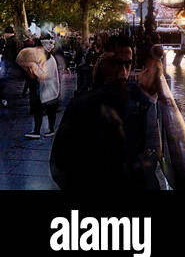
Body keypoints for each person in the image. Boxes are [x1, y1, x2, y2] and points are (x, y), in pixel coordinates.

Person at [51, 38, 163, 190]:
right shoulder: (81, 106)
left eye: (127, 64)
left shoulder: (141, 103)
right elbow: (61, 161)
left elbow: (153, 151)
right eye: (116, 64)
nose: (123, 72)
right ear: (103, 63)